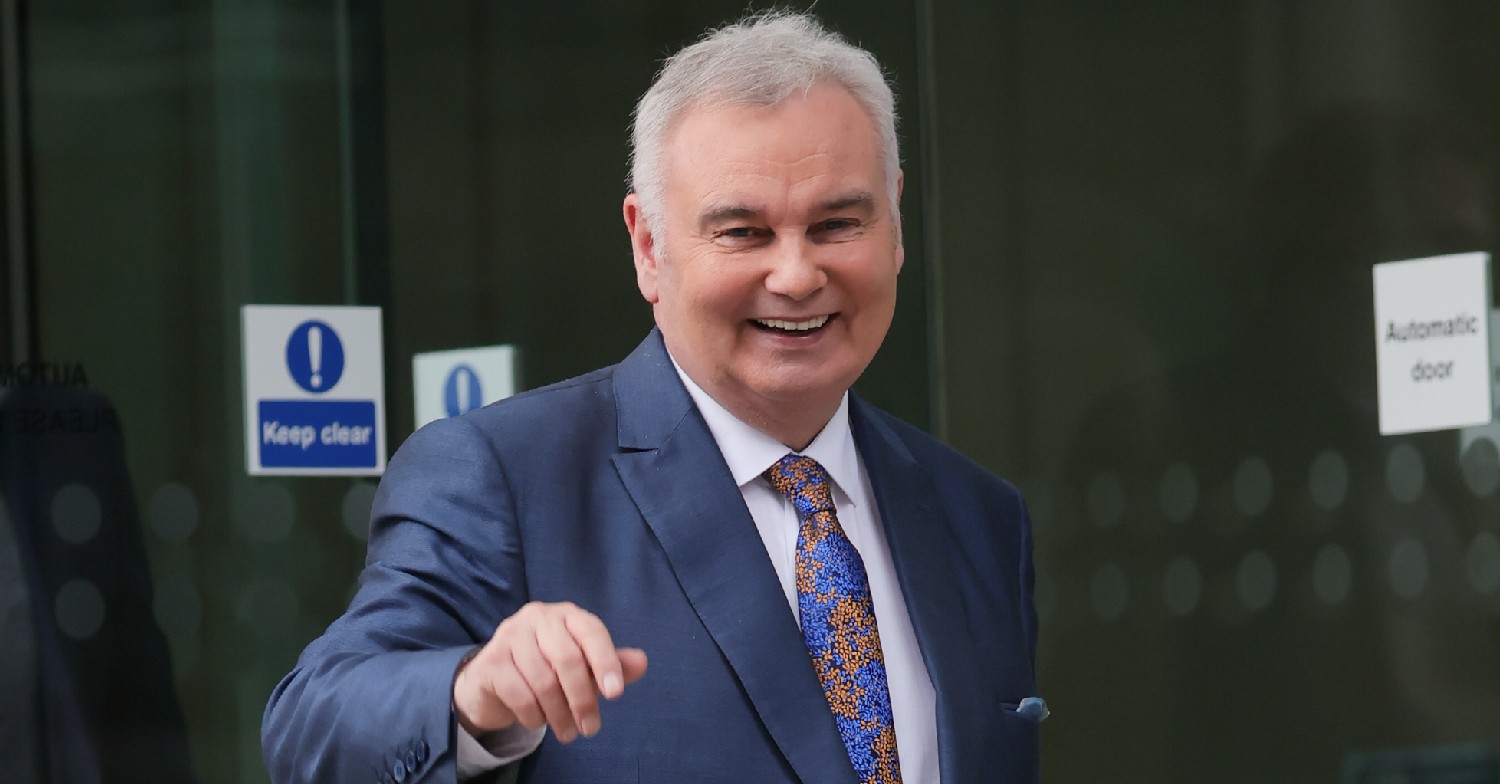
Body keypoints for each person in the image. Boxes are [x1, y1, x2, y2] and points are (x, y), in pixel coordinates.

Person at [262, 12, 1040, 784]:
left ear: (896, 224)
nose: (798, 275)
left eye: (837, 223)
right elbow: (315, 729)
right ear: (648, 248)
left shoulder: (976, 516)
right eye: (742, 233)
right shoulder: (507, 478)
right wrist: (471, 695)